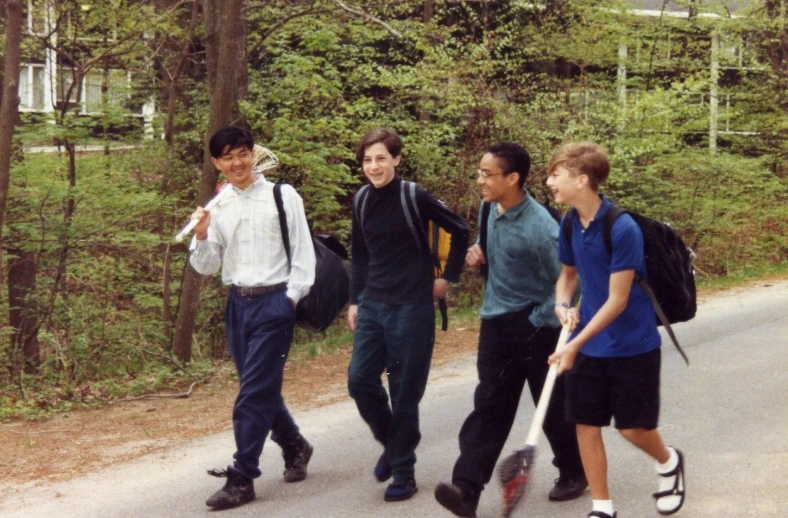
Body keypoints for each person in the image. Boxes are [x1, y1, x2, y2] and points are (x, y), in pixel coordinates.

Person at [434, 142, 586, 518]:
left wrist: (541, 320)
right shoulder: (489, 208)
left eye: (488, 174)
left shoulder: (541, 229)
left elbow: (569, 281)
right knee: (489, 406)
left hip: (537, 327)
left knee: (550, 404)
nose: (480, 180)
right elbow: (489, 244)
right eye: (479, 172)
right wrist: (477, 250)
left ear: (513, 178)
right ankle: (465, 490)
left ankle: (574, 471)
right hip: (496, 324)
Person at [546, 142, 686, 518]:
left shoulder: (622, 228)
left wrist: (575, 344)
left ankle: (669, 461)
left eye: (556, 174)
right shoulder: (570, 221)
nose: (549, 182)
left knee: (632, 430)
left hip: (631, 344)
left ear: (582, 179)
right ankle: (602, 508)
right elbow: (568, 276)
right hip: (590, 344)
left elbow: (617, 300)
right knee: (585, 424)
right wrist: (562, 305)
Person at [189, 126, 316, 510]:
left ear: (253, 154)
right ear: (217, 163)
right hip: (238, 305)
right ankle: (295, 443)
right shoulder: (219, 206)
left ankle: (243, 476)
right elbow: (207, 266)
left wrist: (290, 299)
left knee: (253, 393)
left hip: (275, 303)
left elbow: (304, 254)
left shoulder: (282, 195)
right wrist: (202, 234)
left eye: (243, 153)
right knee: (257, 387)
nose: (237, 162)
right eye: (228, 157)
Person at [347, 127, 470, 502]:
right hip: (373, 304)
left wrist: (447, 278)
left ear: (396, 159)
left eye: (381, 158)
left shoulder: (412, 195)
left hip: (412, 306)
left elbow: (461, 230)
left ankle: (404, 472)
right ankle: (393, 444)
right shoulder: (361, 199)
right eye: (367, 160)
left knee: (403, 391)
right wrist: (355, 300)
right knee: (360, 381)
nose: (374, 166)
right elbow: (360, 253)